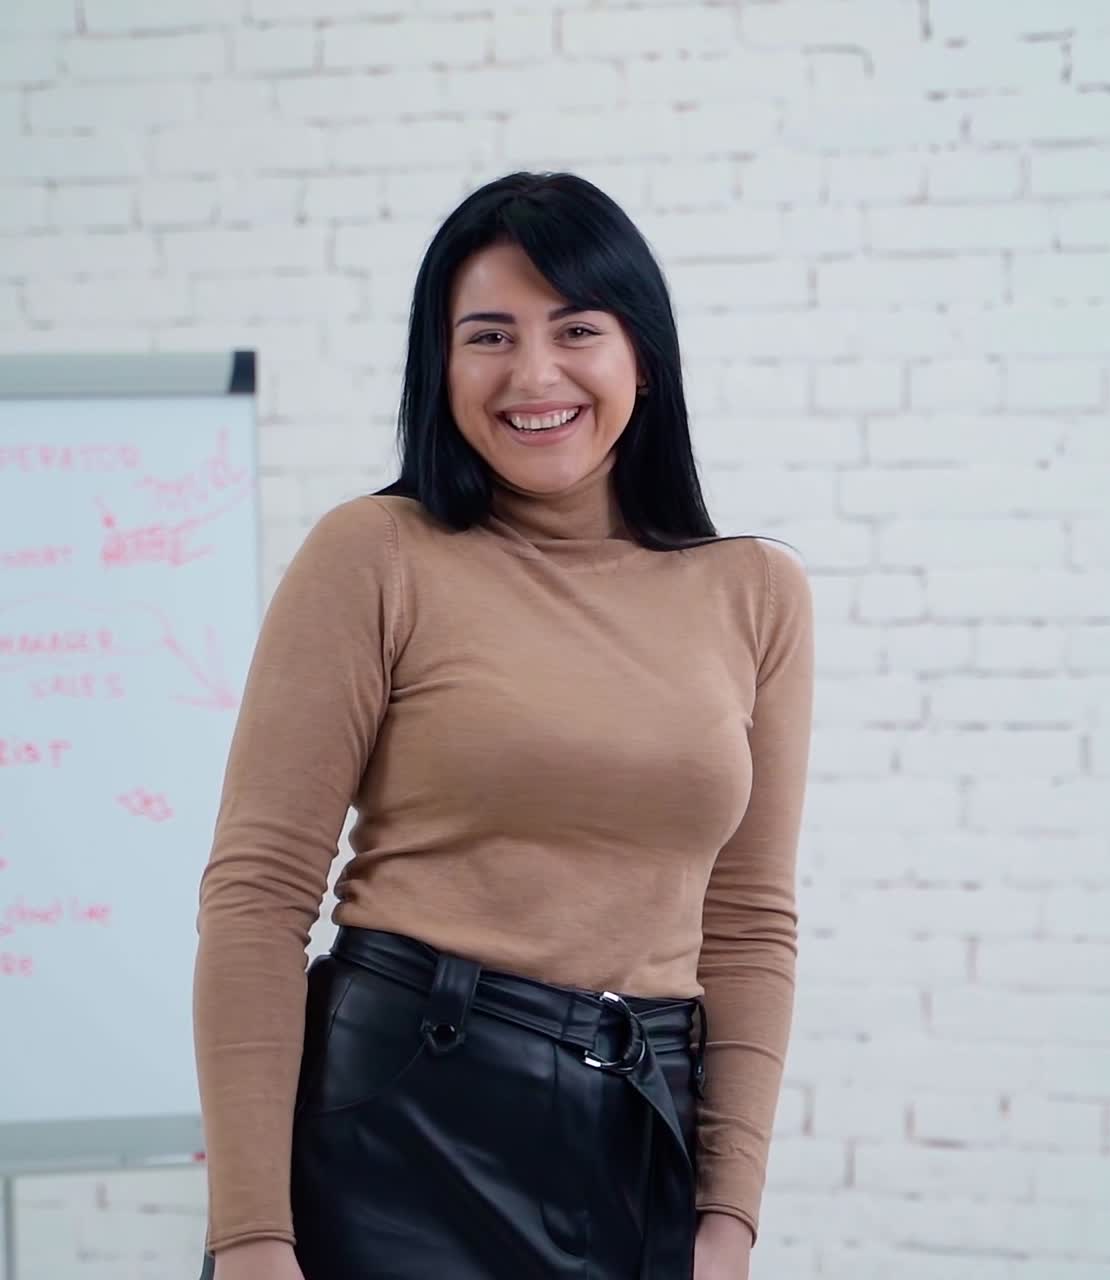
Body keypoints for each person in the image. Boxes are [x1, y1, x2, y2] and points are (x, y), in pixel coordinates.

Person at [192, 170, 815, 1280]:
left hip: (642, 1132)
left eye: (575, 327)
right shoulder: (375, 554)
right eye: (488, 334)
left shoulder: (753, 592)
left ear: (641, 354)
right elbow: (256, 895)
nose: (534, 375)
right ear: (441, 365)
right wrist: (249, 1235)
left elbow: (750, 922)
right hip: (396, 1125)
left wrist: (727, 1217)